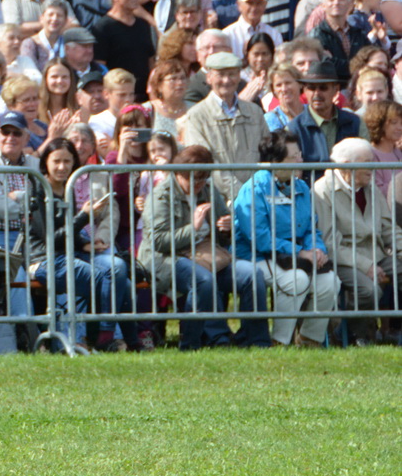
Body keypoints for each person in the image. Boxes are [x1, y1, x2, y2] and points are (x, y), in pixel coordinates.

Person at [136, 145, 270, 349]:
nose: (197, 184)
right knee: (203, 280)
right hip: (165, 259)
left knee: (252, 275)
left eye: (202, 179)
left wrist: (225, 229)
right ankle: (192, 343)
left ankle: (256, 341)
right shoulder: (161, 195)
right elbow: (159, 241)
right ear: (180, 173)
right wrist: (193, 227)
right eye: (193, 179)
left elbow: (225, 237)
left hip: (206, 255)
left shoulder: (208, 189)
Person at [28, 138, 135, 351]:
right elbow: (50, 238)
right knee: (101, 276)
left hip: (70, 253)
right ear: (45, 163)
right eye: (56, 161)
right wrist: (85, 216)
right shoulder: (39, 191)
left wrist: (85, 243)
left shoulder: (67, 189)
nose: (62, 167)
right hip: (44, 259)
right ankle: (102, 336)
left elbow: (68, 231)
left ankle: (115, 337)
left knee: (118, 268)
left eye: (67, 161)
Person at [232, 130, 337, 346]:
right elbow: (259, 238)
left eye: (300, 154)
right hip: (253, 257)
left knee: (330, 281)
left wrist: (316, 251)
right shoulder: (254, 189)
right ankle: (280, 341)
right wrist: (300, 252)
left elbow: (310, 228)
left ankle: (309, 340)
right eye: (294, 157)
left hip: (293, 257)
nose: (301, 160)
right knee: (296, 280)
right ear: (274, 162)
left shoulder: (301, 187)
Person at [313, 138, 402, 346]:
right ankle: (355, 333)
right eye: (367, 162)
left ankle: (394, 331)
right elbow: (330, 243)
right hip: (344, 259)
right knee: (369, 290)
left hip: (377, 253)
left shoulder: (369, 186)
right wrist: (366, 265)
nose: (373, 166)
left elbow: (389, 228)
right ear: (346, 167)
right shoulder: (322, 191)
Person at [177, 52, 267, 200]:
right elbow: (203, 161)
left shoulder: (255, 112)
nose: (226, 80)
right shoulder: (197, 115)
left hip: (257, 197)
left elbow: (266, 154)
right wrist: (240, 194)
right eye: (221, 74)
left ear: (239, 76)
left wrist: (256, 193)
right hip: (216, 201)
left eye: (232, 74)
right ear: (209, 78)